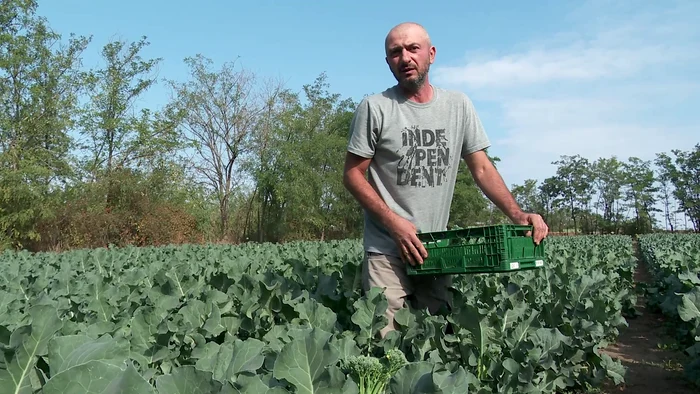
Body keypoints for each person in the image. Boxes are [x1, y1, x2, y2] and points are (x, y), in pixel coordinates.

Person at [342, 22, 549, 337]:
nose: (405, 58)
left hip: (437, 250)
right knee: (385, 343)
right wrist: (393, 223)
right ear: (388, 62)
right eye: (395, 52)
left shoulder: (458, 106)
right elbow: (353, 174)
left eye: (413, 48)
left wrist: (519, 214)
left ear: (431, 54)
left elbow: (482, 168)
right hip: (386, 249)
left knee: (435, 341)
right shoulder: (375, 108)